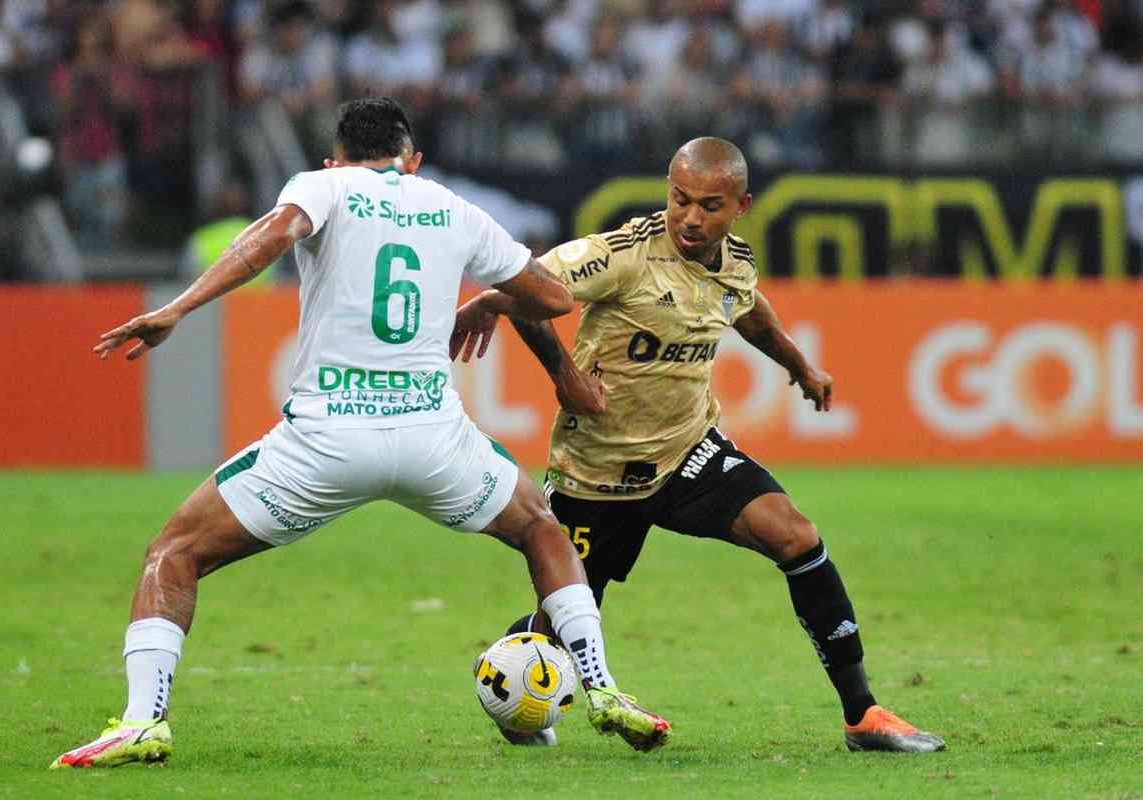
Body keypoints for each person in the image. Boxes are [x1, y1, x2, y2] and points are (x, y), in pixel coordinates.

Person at [50, 98, 669, 769]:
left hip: (328, 442)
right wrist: (488, 298)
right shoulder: (451, 206)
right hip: (434, 440)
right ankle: (602, 687)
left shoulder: (322, 187)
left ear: (335, 158)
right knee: (541, 529)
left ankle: (144, 721)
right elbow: (554, 297)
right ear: (414, 160)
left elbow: (274, 235)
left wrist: (177, 308)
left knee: (173, 553)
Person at [450, 137, 945, 753]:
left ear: (741, 206)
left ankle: (862, 715)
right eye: (679, 199)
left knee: (797, 536)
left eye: (709, 205)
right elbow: (532, 290)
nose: (689, 217)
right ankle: (516, 688)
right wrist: (560, 370)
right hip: (597, 475)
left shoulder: (734, 261)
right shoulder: (621, 253)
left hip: (690, 453)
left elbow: (750, 309)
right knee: (562, 630)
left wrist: (799, 365)